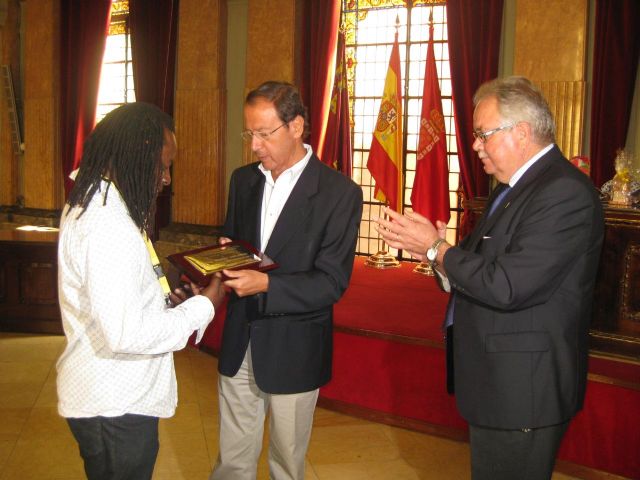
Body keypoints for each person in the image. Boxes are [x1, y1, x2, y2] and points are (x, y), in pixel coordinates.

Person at [374, 76, 604, 479]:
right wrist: (435, 255)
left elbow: (507, 285)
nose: (475, 145)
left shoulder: (564, 193)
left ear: (522, 132)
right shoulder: (512, 189)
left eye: (483, 134)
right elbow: (478, 266)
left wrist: (437, 249)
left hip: (524, 390)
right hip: (498, 381)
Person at [56, 102, 226, 480]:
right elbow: (126, 333)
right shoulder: (107, 225)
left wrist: (166, 305)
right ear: (133, 156)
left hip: (111, 397)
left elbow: (121, 299)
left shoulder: (103, 201)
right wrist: (202, 307)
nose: (166, 179)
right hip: (115, 403)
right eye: (163, 166)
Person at [209, 81, 362, 480]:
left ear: (296, 126)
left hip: (296, 346)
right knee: (231, 461)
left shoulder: (338, 192)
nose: (255, 145)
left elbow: (331, 282)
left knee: (286, 464)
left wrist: (268, 286)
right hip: (241, 336)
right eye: (250, 133)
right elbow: (236, 242)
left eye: (264, 133)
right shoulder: (243, 181)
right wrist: (225, 253)